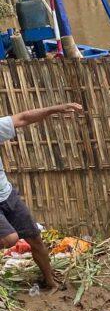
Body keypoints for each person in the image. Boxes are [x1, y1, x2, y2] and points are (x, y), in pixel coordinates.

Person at [0, 103, 84, 290]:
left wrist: (57, 109)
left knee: (35, 239)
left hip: (7, 195)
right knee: (10, 238)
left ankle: (50, 282)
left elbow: (24, 117)